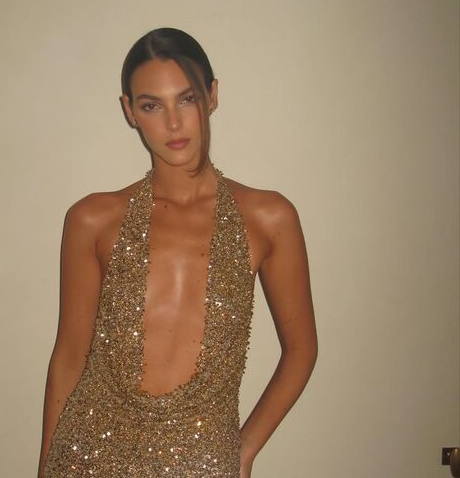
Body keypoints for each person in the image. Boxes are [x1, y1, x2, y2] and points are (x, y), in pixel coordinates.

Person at [37, 27, 317, 478]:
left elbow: (301, 350)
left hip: (203, 460)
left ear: (212, 96)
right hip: (87, 455)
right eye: (152, 105)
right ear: (130, 111)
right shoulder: (93, 219)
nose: (173, 123)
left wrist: (244, 451)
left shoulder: (269, 217)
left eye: (186, 99)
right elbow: (69, 356)